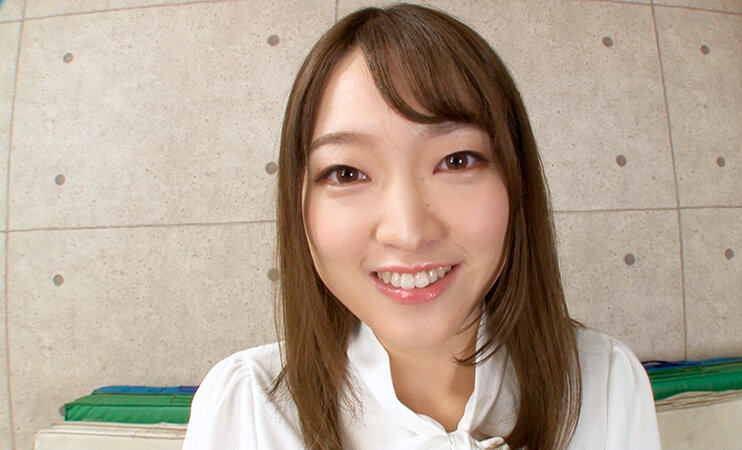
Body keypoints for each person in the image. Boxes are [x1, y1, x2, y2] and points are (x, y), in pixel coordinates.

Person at [183, 4, 660, 449]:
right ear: (299, 205)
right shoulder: (246, 410)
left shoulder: (604, 384)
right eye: (346, 173)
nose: (408, 232)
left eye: (457, 160)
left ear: (517, 183)